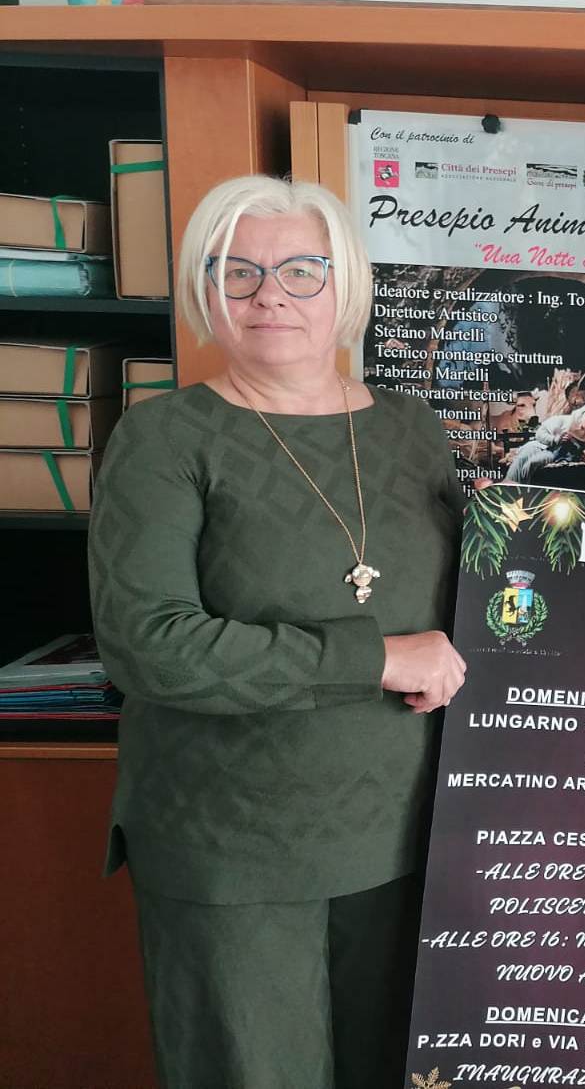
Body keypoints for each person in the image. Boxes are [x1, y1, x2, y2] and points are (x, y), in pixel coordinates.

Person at [88, 175, 469, 1088]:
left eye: (303, 269)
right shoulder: (163, 437)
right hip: (231, 849)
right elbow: (149, 644)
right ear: (205, 287)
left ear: (347, 284)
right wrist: (374, 658)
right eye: (239, 271)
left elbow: (474, 610)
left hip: (409, 837)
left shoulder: (413, 430)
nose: (270, 296)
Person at [504, 401, 585, 483]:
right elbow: (539, 434)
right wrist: (555, 439)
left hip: (556, 454)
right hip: (540, 445)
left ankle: (523, 487)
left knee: (533, 462)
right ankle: (509, 484)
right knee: (522, 457)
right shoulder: (562, 420)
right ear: (583, 413)